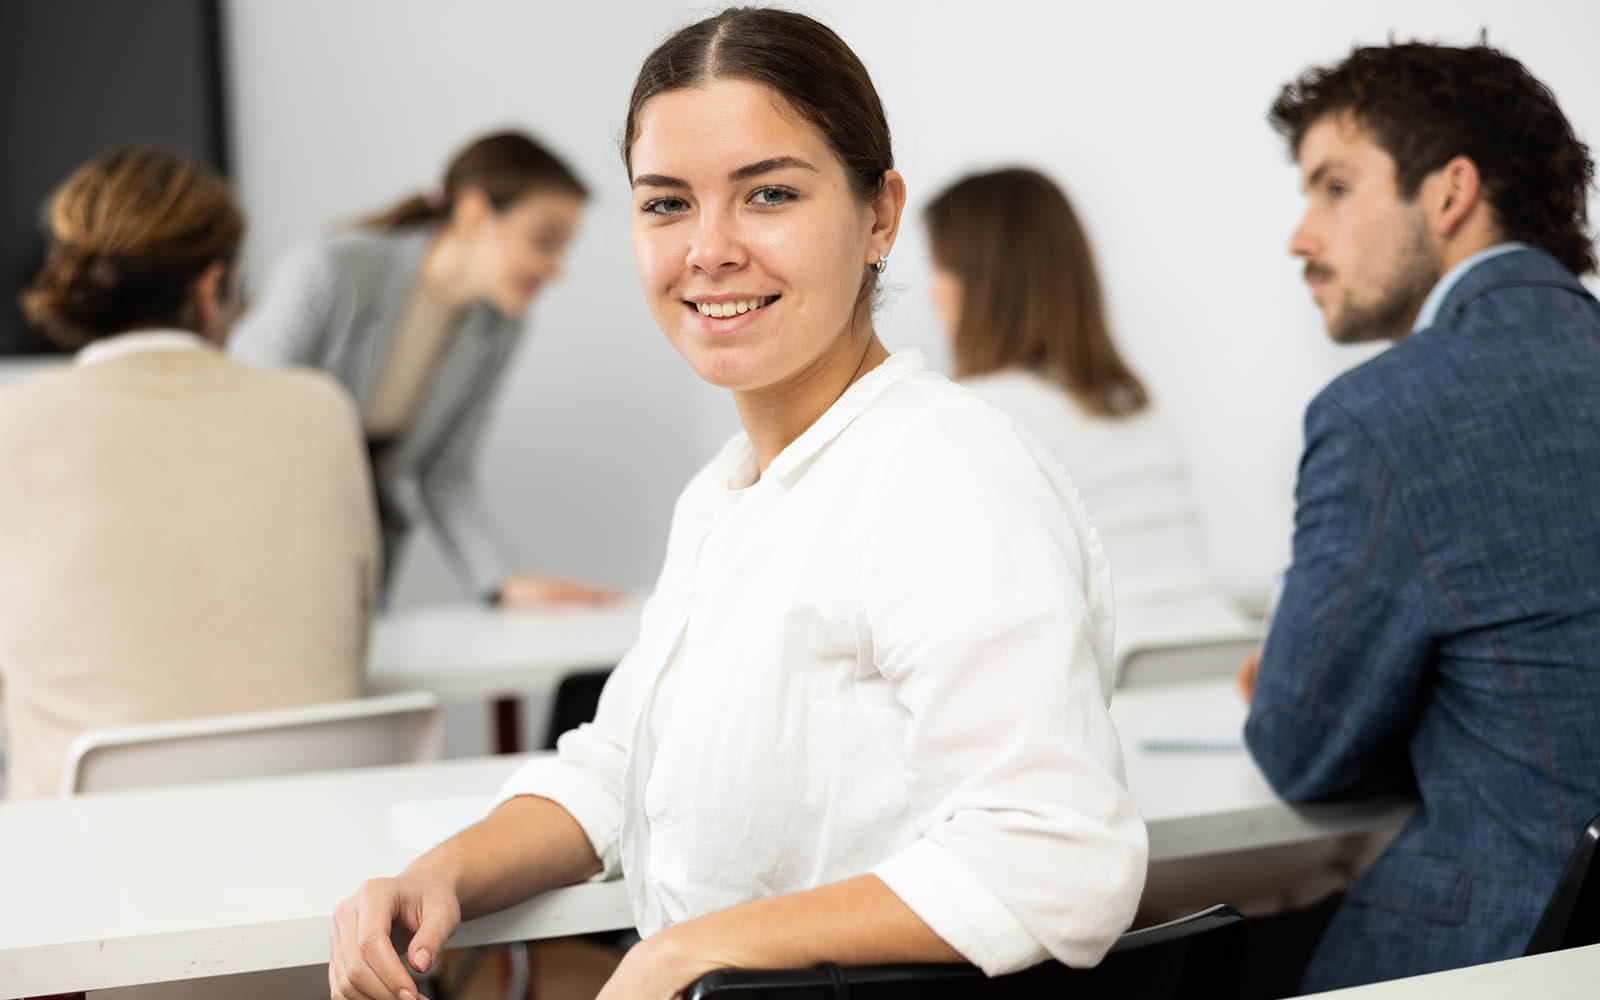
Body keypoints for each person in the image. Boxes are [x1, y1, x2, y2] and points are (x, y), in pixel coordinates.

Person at [328, 9, 1147, 1000]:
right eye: (666, 205)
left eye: (768, 194)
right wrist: (439, 874)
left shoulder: (939, 473)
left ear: (879, 215)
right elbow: (616, 761)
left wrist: (688, 949)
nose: (708, 250)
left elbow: (1053, 862)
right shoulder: (728, 493)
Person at [1238, 41, 1600, 990]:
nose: (1300, 236)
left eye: (1334, 188)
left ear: (1449, 195)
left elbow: (1300, 747)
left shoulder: (1385, 413)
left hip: (1499, 952)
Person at [0, 147, 377, 800]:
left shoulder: (12, 421)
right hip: (315, 845)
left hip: (81, 871)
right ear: (212, 288)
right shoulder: (321, 407)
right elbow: (355, 629)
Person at [230, 130, 616, 606]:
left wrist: (502, 582)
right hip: (264, 531)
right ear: (474, 214)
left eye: (564, 249)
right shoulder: (331, 270)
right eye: (544, 241)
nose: (557, 269)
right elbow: (241, 404)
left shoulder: (499, 327)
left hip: (364, 545)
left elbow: (445, 469)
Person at [924, 167, 1254, 670]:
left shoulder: (978, 411)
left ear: (982, 282)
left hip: (1110, 692)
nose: (932, 293)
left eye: (940, 270)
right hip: (1220, 663)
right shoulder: (1134, 404)